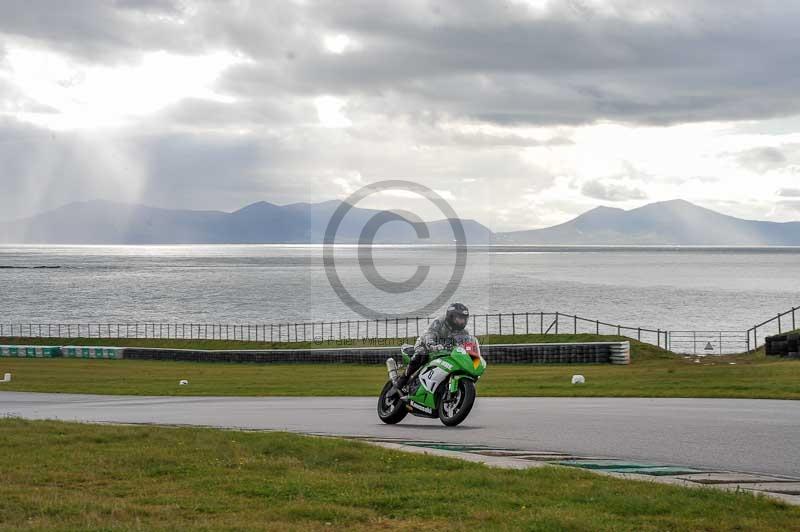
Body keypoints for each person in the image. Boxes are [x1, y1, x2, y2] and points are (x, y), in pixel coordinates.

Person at [394, 302, 470, 391]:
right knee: (422, 354)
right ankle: (401, 382)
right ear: (451, 316)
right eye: (459, 318)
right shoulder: (439, 322)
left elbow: (466, 346)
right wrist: (431, 344)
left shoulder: (464, 332)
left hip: (445, 352)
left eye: (464, 319)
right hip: (425, 345)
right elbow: (430, 334)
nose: (462, 321)